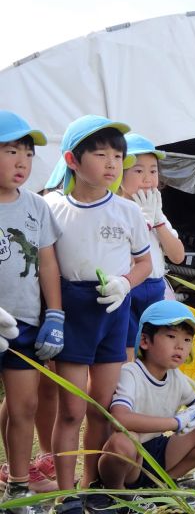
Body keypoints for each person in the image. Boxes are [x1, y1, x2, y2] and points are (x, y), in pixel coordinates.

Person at [45, 115, 152, 514]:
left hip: (114, 309)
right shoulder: (52, 208)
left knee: (102, 406)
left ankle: (93, 486)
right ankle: (64, 491)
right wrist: (53, 311)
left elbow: (143, 262)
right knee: (71, 407)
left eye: (117, 156)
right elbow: (45, 265)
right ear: (72, 160)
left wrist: (126, 282)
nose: (112, 164)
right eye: (101, 154)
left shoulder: (127, 211)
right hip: (72, 308)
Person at [0, 111, 63, 511]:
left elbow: (48, 263)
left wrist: (54, 313)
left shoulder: (37, 207)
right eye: (10, 151)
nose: (22, 162)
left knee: (24, 406)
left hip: (24, 323)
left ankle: (18, 486)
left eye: (28, 153)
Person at [96, 300, 195, 501]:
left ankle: (164, 483)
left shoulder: (178, 378)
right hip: (133, 458)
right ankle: (117, 493)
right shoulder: (131, 373)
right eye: (171, 336)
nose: (180, 346)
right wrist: (175, 422)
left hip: (161, 451)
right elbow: (119, 418)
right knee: (124, 441)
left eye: (187, 340)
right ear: (145, 341)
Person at [119, 133, 185, 361]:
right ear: (119, 173)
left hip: (155, 287)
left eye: (153, 170)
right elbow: (121, 259)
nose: (147, 178)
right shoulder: (115, 209)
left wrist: (157, 221)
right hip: (127, 287)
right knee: (126, 351)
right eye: (138, 170)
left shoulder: (156, 209)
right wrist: (141, 222)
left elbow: (178, 256)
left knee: (155, 353)